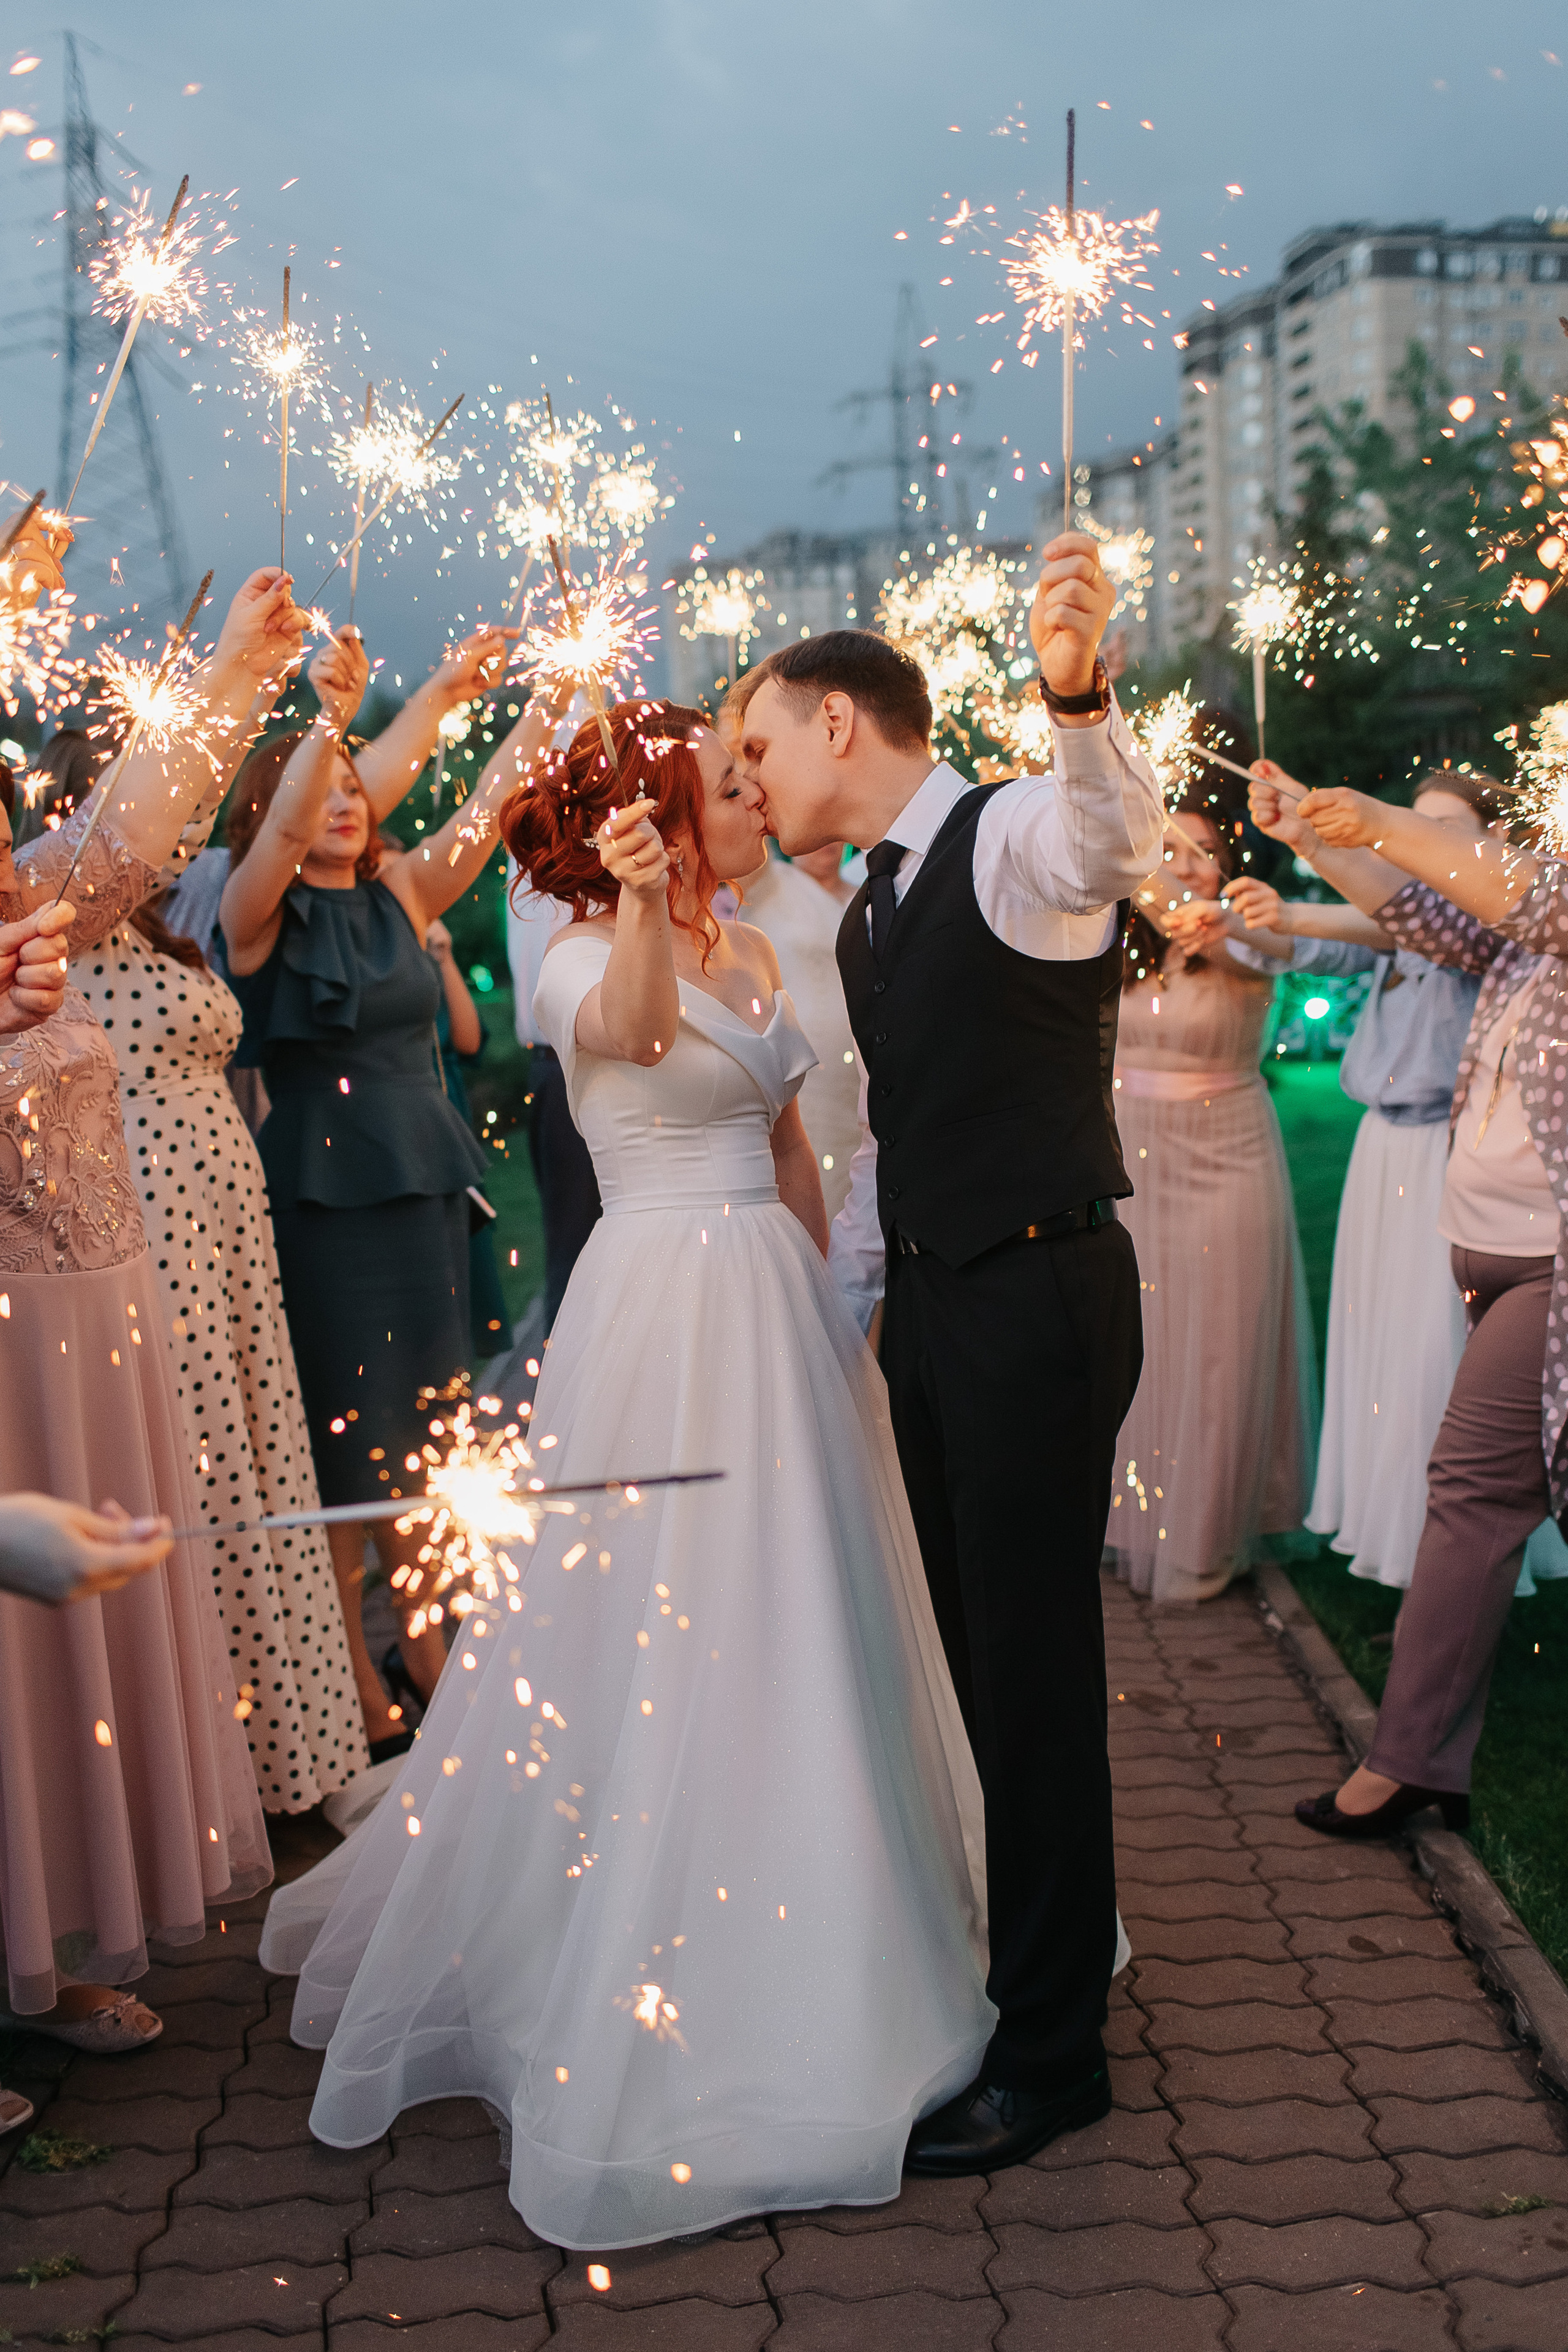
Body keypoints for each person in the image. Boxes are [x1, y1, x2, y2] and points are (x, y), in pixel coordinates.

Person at [258, 697, 996, 2250]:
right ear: (650, 820)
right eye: (723, 783)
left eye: (744, 777)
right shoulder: (579, 952)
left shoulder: (759, 946)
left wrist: (827, 1307)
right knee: (666, 1618)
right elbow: (639, 1038)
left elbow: (784, 1143)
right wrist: (649, 902)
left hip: (767, 1302)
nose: (751, 796)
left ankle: (830, 1891)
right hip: (657, 1307)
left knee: (801, 1604)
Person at [735, 532, 1162, 2174]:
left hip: (1037, 1298)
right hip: (935, 1310)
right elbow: (890, 1149)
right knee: (981, 1661)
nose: (747, 776)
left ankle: (1053, 2061)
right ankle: (1028, 1973)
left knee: (1033, 1676)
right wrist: (821, 1325)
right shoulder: (868, 914)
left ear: (838, 721)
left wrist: (1078, 698)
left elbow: (1108, 841)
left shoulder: (1009, 835)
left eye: (759, 742)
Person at [0, 566, 299, 2053]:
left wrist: (238, 670)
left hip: (97, 1347)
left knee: (71, 1667)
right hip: (9, 1364)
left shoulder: (35, 897)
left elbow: (135, 822)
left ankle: (40, 1958)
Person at [220, 627, 566, 1706]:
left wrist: (538, 708)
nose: (345, 802)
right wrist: (331, 720)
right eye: (326, 787)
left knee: (431, 1423)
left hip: (423, 1187)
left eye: (354, 789)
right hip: (326, 1201)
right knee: (348, 1437)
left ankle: (426, 1644)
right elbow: (289, 827)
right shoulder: (253, 915)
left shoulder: (402, 893)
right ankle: (356, 1692)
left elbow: (487, 811)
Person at [1245, 764, 1568, 1835]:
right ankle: (1421, 1757)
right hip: (1483, 1250)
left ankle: (1406, 1762)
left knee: (1471, 1490)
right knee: (1484, 1494)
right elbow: (1424, 917)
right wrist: (1316, 839)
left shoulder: (1551, 906)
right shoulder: (1517, 942)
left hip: (1551, 1267)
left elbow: (1513, 889)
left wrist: (1379, 820)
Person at [77, 867, 380, 1798]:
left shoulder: (159, 923)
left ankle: (302, 1740)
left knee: (260, 1445)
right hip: (154, 1214)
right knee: (206, 1457)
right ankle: (231, 1766)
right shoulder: (56, 928)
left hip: (227, 1217)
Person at [1189, 774, 1494, 1589]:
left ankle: (1435, 1548)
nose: (1420, 844)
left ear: (1492, 846)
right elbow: (1330, 944)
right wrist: (1250, 920)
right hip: (1378, 1154)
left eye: (1445, 830)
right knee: (1380, 1343)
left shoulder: (1479, 926)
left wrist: (1300, 878)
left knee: (1431, 1349)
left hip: (1447, 1155)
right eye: (1412, 826)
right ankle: (1383, 1525)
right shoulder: (1391, 925)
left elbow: (1393, 923)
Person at [1105, 794, 1317, 1602]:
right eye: (1170, 849)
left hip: (1228, 1155)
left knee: (1223, 1346)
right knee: (1142, 1342)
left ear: (1227, 866)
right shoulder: (1121, 942)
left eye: (1202, 851)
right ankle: (1130, 1520)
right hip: (1135, 1163)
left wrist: (1131, 846)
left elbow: (1233, 937)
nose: (1187, 865)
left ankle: (1205, 1540)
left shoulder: (1246, 933)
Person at [506, 878, 601, 1327]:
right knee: (575, 1244)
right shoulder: (543, 864)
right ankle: (564, 1360)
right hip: (564, 1061)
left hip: (606, 1056)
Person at [425, 911, 510, 1355]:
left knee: (468, 1280)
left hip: (448, 1117)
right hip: (410, 1122)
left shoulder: (426, 952)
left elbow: (470, 1041)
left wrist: (444, 957)